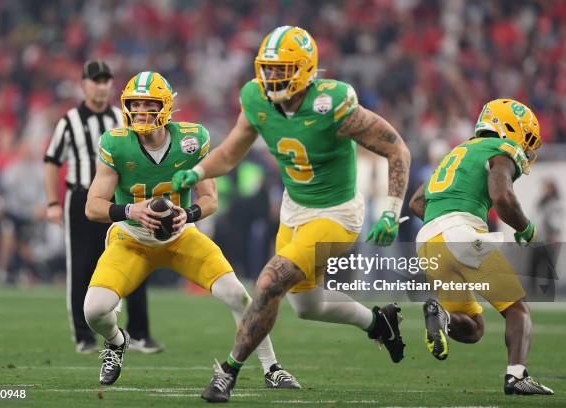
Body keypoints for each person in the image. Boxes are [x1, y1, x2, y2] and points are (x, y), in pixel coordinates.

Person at [172, 26, 411, 402]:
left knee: (269, 282)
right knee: (307, 304)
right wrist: (200, 171)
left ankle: (229, 373)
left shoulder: (332, 103)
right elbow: (232, 151)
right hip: (294, 207)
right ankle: (379, 323)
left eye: (281, 69)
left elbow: (397, 150)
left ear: (305, 69)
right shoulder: (256, 99)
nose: (271, 77)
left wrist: (390, 212)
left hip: (337, 213)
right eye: (267, 68)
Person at [83, 70, 298, 388]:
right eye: (135, 104)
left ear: (166, 107)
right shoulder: (116, 144)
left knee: (237, 295)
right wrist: (130, 209)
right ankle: (117, 341)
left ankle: (272, 368)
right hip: (131, 238)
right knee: (94, 311)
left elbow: (210, 199)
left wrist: (189, 213)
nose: (141, 111)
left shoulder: (190, 140)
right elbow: (93, 207)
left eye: (149, 104)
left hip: (180, 237)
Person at [409, 98, 554, 395]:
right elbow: (501, 197)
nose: (524, 148)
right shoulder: (502, 150)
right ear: (508, 129)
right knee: (517, 310)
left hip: (427, 242)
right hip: (462, 233)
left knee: (474, 328)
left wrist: (445, 222)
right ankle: (517, 375)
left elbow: (416, 202)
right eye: (524, 138)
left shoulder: (457, 152)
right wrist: (528, 229)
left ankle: (443, 317)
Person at [44, 60, 161, 354]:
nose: (101, 86)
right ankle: (84, 336)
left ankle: (140, 333)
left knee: (134, 260)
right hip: (80, 197)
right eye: (96, 80)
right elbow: (51, 162)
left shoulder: (120, 119)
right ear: (84, 85)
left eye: (106, 80)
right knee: (81, 267)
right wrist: (52, 202)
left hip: (118, 199)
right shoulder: (69, 120)